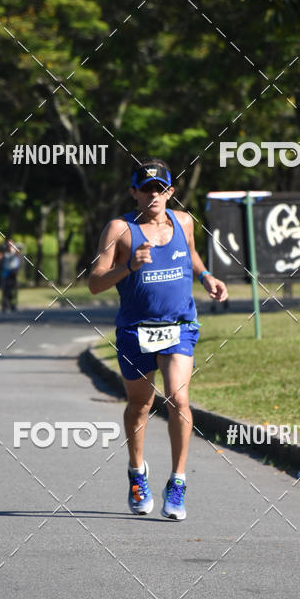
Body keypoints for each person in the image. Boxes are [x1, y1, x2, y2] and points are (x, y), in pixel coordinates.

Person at [89, 158, 228, 520]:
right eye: (146, 188)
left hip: (180, 324)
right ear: (134, 191)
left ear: (170, 191)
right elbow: (94, 282)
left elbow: (193, 255)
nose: (154, 194)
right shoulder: (120, 229)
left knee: (179, 399)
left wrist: (207, 278)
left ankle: (178, 483)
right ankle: (137, 474)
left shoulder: (183, 221)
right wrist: (129, 266)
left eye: (160, 188)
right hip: (136, 330)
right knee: (140, 405)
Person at [0, 239, 22, 311]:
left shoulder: (15, 252)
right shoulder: (4, 252)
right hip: (5, 272)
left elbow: (18, 258)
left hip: (13, 272)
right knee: (5, 289)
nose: (10, 246)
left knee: (13, 290)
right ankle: (4, 306)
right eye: (9, 245)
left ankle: (12, 305)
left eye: (11, 245)